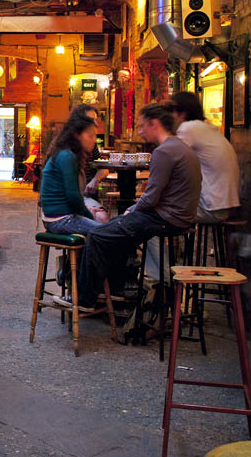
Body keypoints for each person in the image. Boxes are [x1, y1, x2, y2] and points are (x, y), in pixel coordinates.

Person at [57, 103, 201, 313]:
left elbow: (150, 198)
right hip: (178, 217)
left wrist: (132, 210)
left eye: (142, 126)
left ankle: (84, 299)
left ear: (155, 124)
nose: (140, 131)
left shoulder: (164, 152)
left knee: (99, 235)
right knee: (114, 228)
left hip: (163, 219)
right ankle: (116, 291)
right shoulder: (180, 147)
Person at [169, 92, 240, 223]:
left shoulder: (188, 128)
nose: (171, 116)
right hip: (227, 205)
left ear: (182, 113)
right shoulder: (208, 127)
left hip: (212, 208)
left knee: (155, 214)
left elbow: (170, 160)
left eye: (172, 111)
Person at [39, 113, 108, 236]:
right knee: (108, 233)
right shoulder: (67, 156)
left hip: (56, 216)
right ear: (77, 136)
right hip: (60, 219)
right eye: (90, 136)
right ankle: (87, 256)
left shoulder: (66, 153)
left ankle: (85, 255)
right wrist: (89, 215)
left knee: (106, 227)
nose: (94, 140)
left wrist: (86, 211)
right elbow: (73, 197)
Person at [69, 103, 109, 198]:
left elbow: (103, 168)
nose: (95, 123)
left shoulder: (92, 143)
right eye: (90, 120)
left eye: (95, 119)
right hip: (73, 198)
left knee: (101, 213)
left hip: (88, 195)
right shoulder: (66, 145)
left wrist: (95, 180)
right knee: (99, 213)